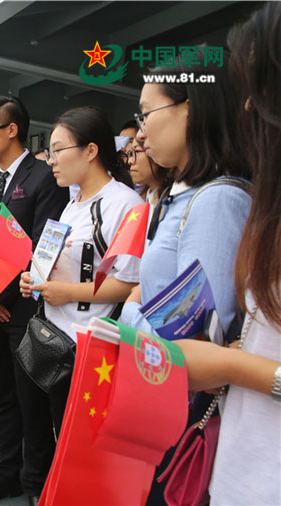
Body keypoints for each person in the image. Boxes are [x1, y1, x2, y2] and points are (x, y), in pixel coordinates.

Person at [118, 48, 252, 505]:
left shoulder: (216, 201)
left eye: (146, 112)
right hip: (163, 399)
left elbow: (195, 342)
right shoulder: (182, 195)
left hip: (181, 407)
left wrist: (128, 314)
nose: (139, 132)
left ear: (190, 110)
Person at [174, 6, 281, 505]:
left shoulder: (218, 199)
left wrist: (228, 365)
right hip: (246, 464)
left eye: (256, 92)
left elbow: (206, 317)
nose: (246, 111)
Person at [18, 106, 142, 465]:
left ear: (90, 151)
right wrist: (36, 279)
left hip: (88, 349)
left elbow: (128, 283)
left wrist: (67, 292)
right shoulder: (72, 204)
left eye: (59, 149)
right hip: (51, 336)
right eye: (51, 151)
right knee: (52, 436)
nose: (51, 159)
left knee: (81, 449)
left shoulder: (124, 204)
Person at [0, 96, 68, 506]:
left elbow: (42, 246)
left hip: (26, 310)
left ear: (12, 129)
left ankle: (37, 483)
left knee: (33, 404)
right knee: (5, 399)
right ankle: (6, 474)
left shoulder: (44, 177)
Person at [124, 138, 171, 204]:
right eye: (131, 153)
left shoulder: (175, 198)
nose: (130, 161)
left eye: (137, 151)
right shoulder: (139, 199)